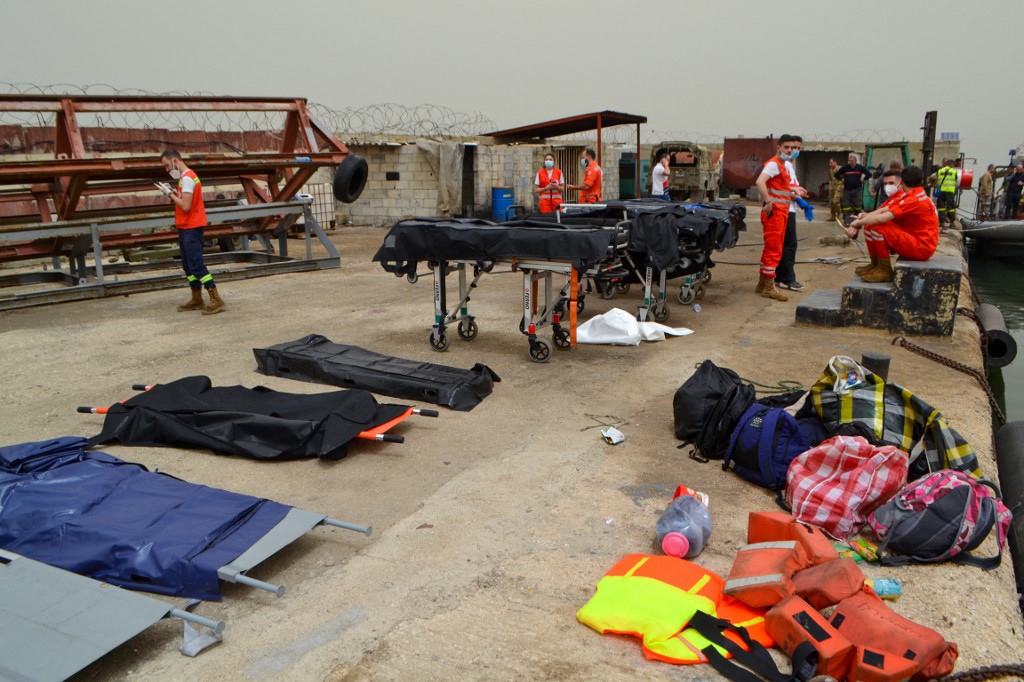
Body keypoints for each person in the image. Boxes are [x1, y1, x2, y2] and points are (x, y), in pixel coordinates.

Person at [158, 149, 225, 315]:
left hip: (192, 227)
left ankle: (215, 298)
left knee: (196, 264)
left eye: (167, 165)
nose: (167, 170)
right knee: (188, 265)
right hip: (186, 226)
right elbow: (185, 201)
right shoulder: (185, 178)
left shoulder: (187, 178)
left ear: (175, 161)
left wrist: (169, 195)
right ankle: (197, 298)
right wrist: (173, 192)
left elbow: (186, 206)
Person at [844, 166, 938, 283]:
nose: (888, 186)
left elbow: (881, 218)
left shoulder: (913, 199)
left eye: (891, 182)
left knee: (878, 227)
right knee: (870, 225)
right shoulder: (913, 194)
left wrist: (858, 223)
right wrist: (863, 220)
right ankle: (876, 264)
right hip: (918, 241)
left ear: (902, 182)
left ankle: (885, 270)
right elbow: (883, 210)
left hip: (921, 247)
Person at [753, 134, 798, 301]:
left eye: (792, 148)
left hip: (780, 212)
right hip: (775, 213)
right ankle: (769, 287)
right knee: (774, 249)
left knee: (771, 248)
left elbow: (779, 187)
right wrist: (768, 201)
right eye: (787, 147)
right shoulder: (774, 164)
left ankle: (763, 283)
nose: (790, 150)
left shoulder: (782, 165)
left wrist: (794, 192)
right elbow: (760, 182)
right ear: (778, 147)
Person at [776, 135, 811, 292]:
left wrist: (799, 198)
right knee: (789, 245)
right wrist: (798, 198)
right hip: (785, 209)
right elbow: (783, 189)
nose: (793, 151)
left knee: (784, 245)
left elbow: (791, 187)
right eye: (791, 147)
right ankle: (787, 279)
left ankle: (779, 276)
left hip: (789, 208)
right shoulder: (781, 165)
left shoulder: (788, 166)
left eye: (797, 148)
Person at [834, 153, 871, 225]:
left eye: (852, 161)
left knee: (857, 206)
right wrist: (841, 179)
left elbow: (869, 174)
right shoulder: (845, 168)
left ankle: (857, 220)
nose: (850, 162)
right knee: (846, 206)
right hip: (847, 190)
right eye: (849, 161)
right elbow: (836, 175)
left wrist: (864, 179)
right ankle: (847, 221)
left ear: (855, 161)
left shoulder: (860, 167)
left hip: (857, 190)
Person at [934, 158, 958, 228]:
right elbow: (955, 180)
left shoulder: (940, 171)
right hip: (950, 191)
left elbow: (937, 179)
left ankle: (941, 222)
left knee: (941, 207)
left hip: (941, 191)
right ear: (951, 164)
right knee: (951, 207)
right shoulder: (954, 171)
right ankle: (952, 222)